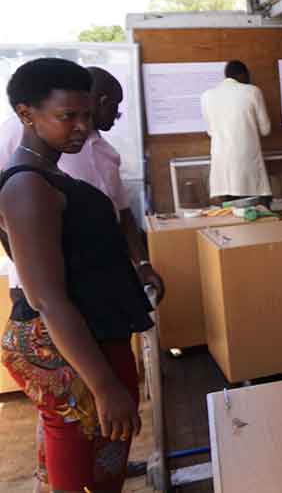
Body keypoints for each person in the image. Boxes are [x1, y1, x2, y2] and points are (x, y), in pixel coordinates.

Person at [0, 66, 163, 492]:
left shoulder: (50, 174)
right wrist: (104, 384)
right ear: (27, 113)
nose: (81, 127)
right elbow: (47, 298)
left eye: (86, 115)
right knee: (80, 450)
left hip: (89, 332)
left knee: (94, 449)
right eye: (67, 116)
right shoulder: (27, 187)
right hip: (66, 346)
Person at [201, 60, 272, 205]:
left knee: (229, 214)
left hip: (221, 163)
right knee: (255, 211)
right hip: (247, 162)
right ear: (242, 75)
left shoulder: (206, 96)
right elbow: (265, 130)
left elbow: (211, 132)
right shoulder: (253, 91)